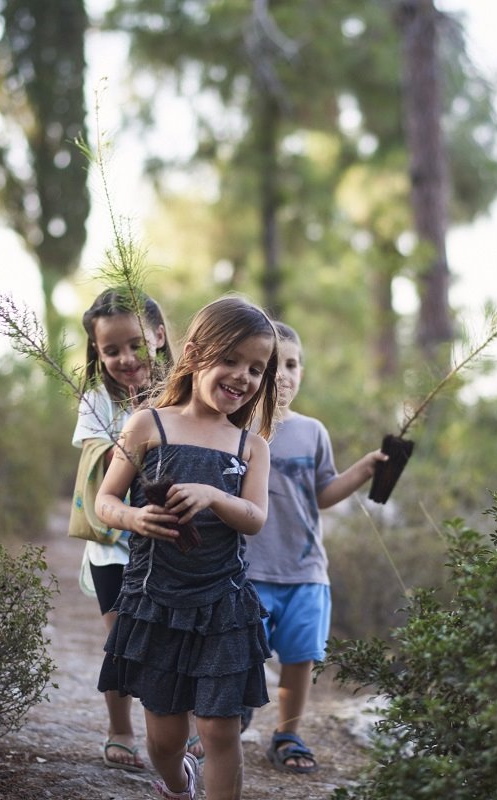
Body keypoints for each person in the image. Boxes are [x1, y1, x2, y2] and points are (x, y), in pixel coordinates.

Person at [94, 295, 279, 800]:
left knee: (220, 729)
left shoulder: (250, 446)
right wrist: (134, 516)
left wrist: (216, 496)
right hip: (158, 601)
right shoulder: (148, 425)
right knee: (166, 738)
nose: (243, 376)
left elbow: (256, 518)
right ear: (196, 353)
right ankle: (178, 787)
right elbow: (105, 500)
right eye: (232, 360)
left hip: (223, 601)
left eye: (257, 368)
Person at [244, 321, 387, 774]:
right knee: (242, 655)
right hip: (249, 569)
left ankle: (288, 733)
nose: (282, 374)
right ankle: (228, 720)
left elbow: (322, 493)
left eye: (291, 364)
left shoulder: (312, 432)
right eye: (271, 365)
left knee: (300, 658)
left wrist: (362, 470)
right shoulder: (238, 427)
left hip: (305, 570)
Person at [74, 288, 207, 771]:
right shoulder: (95, 400)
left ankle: (185, 728)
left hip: (167, 543)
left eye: (134, 344)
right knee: (123, 641)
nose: (125, 358)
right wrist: (128, 436)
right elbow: (94, 458)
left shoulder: (184, 393)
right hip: (114, 546)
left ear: (158, 336)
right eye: (111, 350)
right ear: (97, 352)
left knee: (177, 637)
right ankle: (120, 728)